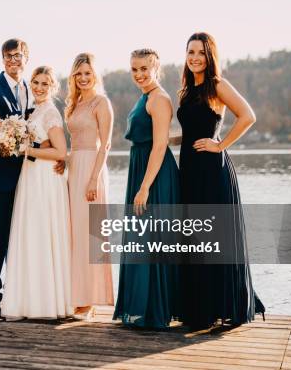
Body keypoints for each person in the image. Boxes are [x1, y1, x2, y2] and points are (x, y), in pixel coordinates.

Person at [176, 32, 265, 329]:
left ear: (210, 55)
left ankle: (227, 307)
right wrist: (162, 140)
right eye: (190, 52)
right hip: (189, 171)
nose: (195, 57)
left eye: (201, 52)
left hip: (212, 171)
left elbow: (247, 115)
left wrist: (221, 143)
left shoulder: (217, 85)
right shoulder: (187, 89)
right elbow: (190, 132)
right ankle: (202, 309)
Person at [112, 49, 180, 328]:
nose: (139, 74)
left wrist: (144, 188)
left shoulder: (160, 99)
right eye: (134, 69)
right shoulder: (147, 97)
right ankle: (140, 308)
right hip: (141, 168)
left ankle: (153, 311)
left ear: (156, 68)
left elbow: (160, 146)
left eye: (144, 69)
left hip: (153, 175)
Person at [2, 66, 72, 320]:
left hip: (45, 180)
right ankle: (29, 301)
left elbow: (61, 152)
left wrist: (26, 150)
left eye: (45, 83)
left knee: (43, 233)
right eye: (36, 82)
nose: (40, 87)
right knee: (30, 234)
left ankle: (47, 303)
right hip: (30, 178)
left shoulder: (51, 113)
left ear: (53, 87)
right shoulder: (33, 111)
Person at [0, 38, 35, 321]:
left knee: (22, 236)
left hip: (29, 177)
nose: (14, 61)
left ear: (27, 58)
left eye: (19, 56)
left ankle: (20, 293)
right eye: (9, 56)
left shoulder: (32, 89)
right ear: (2, 60)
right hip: (0, 178)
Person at [65, 53, 114, 318]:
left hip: (92, 170)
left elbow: (105, 144)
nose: (83, 78)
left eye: (88, 73)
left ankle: (90, 299)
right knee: (74, 234)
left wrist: (94, 178)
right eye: (79, 74)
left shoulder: (101, 102)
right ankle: (76, 294)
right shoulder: (74, 103)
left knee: (90, 235)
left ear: (95, 75)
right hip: (74, 168)